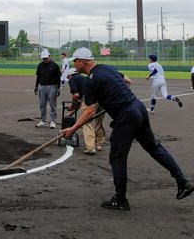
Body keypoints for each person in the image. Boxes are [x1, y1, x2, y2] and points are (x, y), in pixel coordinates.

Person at [60, 47, 193, 210]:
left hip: (126, 116)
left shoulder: (91, 80)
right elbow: (127, 81)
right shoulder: (107, 68)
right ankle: (183, 182)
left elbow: (89, 111)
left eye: (76, 61)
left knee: (117, 157)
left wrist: (73, 128)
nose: (75, 64)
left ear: (82, 61)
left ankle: (120, 200)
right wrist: (114, 96)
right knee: (154, 148)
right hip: (138, 107)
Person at [66, 68, 106, 155]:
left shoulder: (72, 79)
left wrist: (72, 106)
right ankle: (99, 144)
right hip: (102, 97)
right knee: (99, 120)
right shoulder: (84, 79)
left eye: (68, 77)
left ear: (70, 75)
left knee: (86, 122)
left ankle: (90, 147)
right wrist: (71, 112)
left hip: (90, 98)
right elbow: (80, 102)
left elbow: (76, 96)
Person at [34, 49, 61, 129]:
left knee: (53, 104)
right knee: (42, 105)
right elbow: (38, 77)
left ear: (49, 56)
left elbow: (58, 78)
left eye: (46, 58)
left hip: (52, 86)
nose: (45, 60)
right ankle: (43, 121)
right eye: (43, 58)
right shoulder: (40, 65)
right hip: (42, 87)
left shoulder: (54, 65)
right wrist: (36, 86)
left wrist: (58, 88)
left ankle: (53, 121)